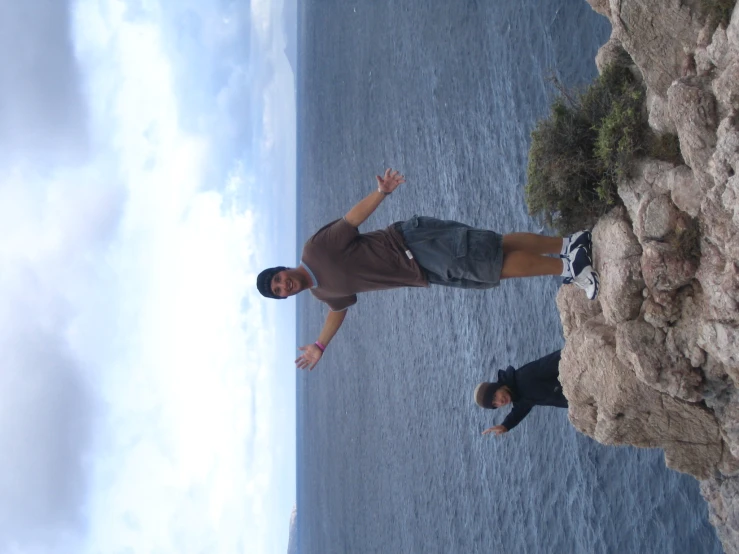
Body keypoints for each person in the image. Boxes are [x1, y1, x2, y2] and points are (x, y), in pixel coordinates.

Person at [256, 169, 598, 370]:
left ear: (282, 269)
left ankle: (570, 263)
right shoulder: (321, 292)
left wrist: (381, 193)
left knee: (493, 266)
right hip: (420, 269)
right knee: (495, 247)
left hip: (412, 245)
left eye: (278, 279)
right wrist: (320, 345)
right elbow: (339, 309)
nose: (284, 286)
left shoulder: (314, 249)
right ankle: (569, 245)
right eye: (279, 291)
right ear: (285, 296)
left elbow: (351, 220)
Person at [474, 350, 568, 436]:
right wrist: (505, 426)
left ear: (496, 387)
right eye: (495, 405)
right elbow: (519, 411)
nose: (500, 402)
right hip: (576, 398)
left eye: (495, 397)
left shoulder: (524, 376)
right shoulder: (517, 396)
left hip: (576, 380)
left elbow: (555, 360)